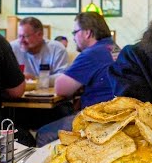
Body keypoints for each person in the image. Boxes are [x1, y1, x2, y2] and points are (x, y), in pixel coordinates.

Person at [35, 12, 117, 146]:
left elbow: (61, 88)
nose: (73, 38)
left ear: (87, 33)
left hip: (98, 120)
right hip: (116, 117)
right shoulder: (114, 48)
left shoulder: (92, 53)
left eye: (75, 32)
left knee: (43, 133)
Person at [10, 17, 69, 83]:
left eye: (25, 36)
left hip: (49, 92)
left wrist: (36, 79)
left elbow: (63, 77)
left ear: (40, 34)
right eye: (19, 36)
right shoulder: (12, 48)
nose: (21, 40)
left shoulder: (57, 49)